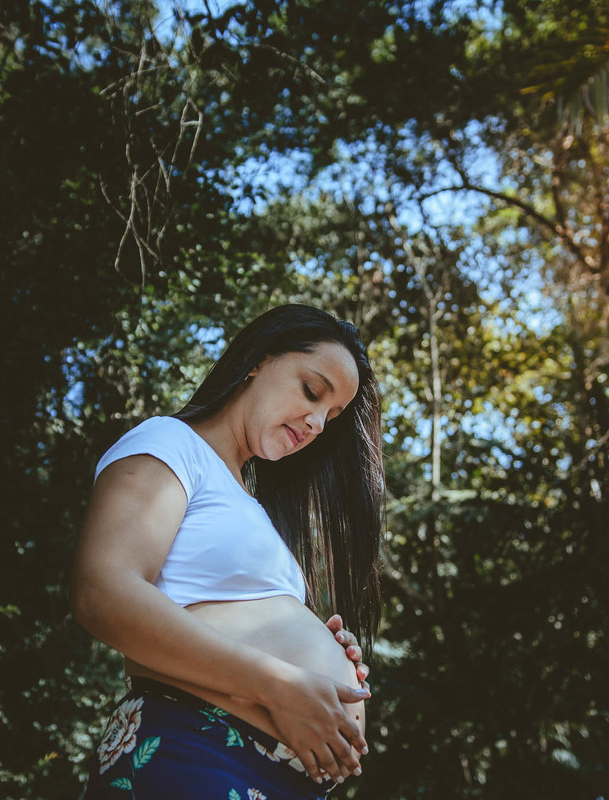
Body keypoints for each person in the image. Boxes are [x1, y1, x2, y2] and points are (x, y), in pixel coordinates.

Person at [71, 304, 385, 799]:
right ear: (258, 361)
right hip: (196, 752)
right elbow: (103, 592)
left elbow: (220, 610)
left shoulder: (252, 506)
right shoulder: (173, 442)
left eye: (332, 415)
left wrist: (320, 652)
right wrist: (279, 681)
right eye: (311, 391)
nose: (318, 423)